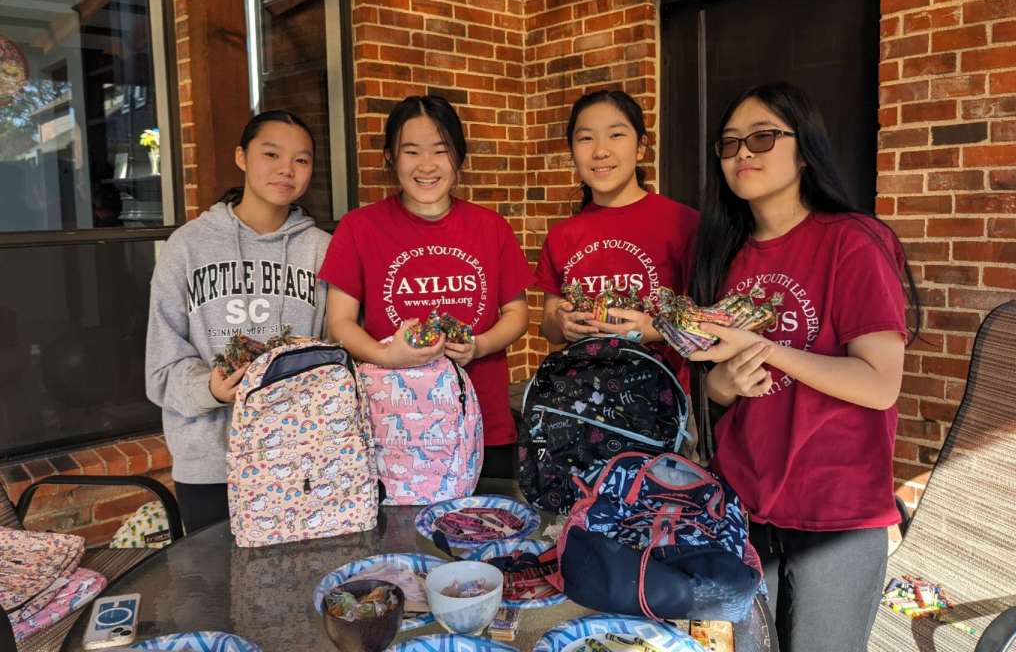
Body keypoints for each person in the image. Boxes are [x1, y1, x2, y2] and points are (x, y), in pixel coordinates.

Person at [688, 82, 920, 652]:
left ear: (805, 149)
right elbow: (717, 391)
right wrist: (723, 380)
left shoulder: (854, 242)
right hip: (745, 498)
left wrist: (762, 347)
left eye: (763, 137)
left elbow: (879, 384)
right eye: (730, 143)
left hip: (835, 508)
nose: (743, 153)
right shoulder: (728, 253)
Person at [319, 95, 532, 477]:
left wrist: (480, 345)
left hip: (483, 425)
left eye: (441, 150)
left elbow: (517, 314)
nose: (427, 166)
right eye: (411, 151)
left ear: (459, 158)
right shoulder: (359, 228)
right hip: (392, 430)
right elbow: (340, 323)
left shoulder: (491, 227)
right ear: (390, 158)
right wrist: (387, 356)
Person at [145, 110, 331, 533]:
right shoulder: (187, 247)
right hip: (212, 463)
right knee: (216, 589)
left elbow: (335, 354)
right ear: (242, 157)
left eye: (301, 160)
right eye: (272, 154)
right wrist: (210, 387)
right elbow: (160, 364)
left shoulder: (323, 251)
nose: (287, 169)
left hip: (298, 456)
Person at [536, 89, 699, 347]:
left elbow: (710, 320)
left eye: (616, 135)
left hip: (661, 381)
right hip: (582, 383)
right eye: (586, 138)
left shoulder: (683, 222)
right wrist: (561, 322)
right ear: (572, 153)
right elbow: (549, 327)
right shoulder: (562, 235)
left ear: (641, 147)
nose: (601, 151)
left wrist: (657, 329)